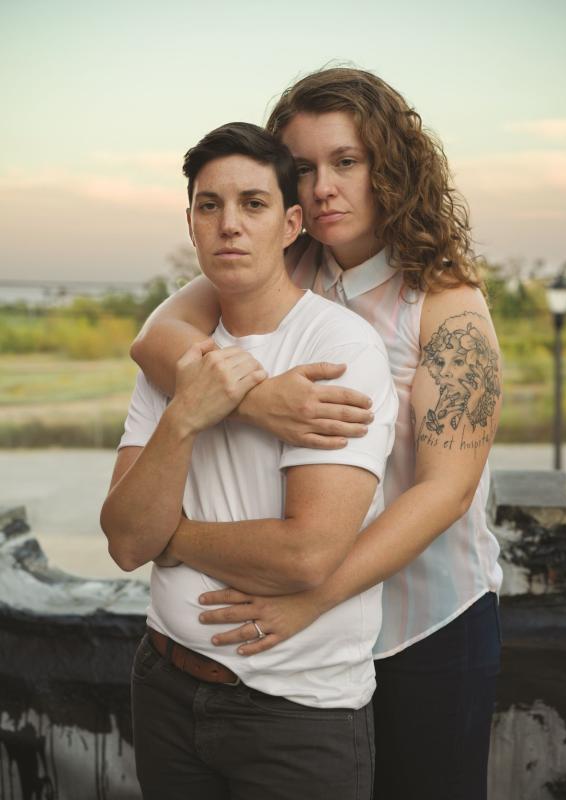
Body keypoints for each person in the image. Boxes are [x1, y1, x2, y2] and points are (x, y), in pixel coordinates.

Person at [131, 68, 504, 800]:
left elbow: (447, 490)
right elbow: (154, 340)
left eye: (347, 161)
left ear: (389, 167)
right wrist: (256, 401)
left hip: (424, 629)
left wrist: (315, 594)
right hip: (303, 654)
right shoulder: (285, 262)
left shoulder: (446, 302)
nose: (324, 185)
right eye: (302, 168)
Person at [101, 121, 398, 800]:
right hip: (166, 688)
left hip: (296, 716)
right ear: (191, 223)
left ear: (292, 224)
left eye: (253, 205)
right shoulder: (178, 354)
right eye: (211, 206)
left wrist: (170, 540)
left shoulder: (337, 348)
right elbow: (123, 541)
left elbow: (306, 553)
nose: (229, 224)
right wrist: (186, 413)